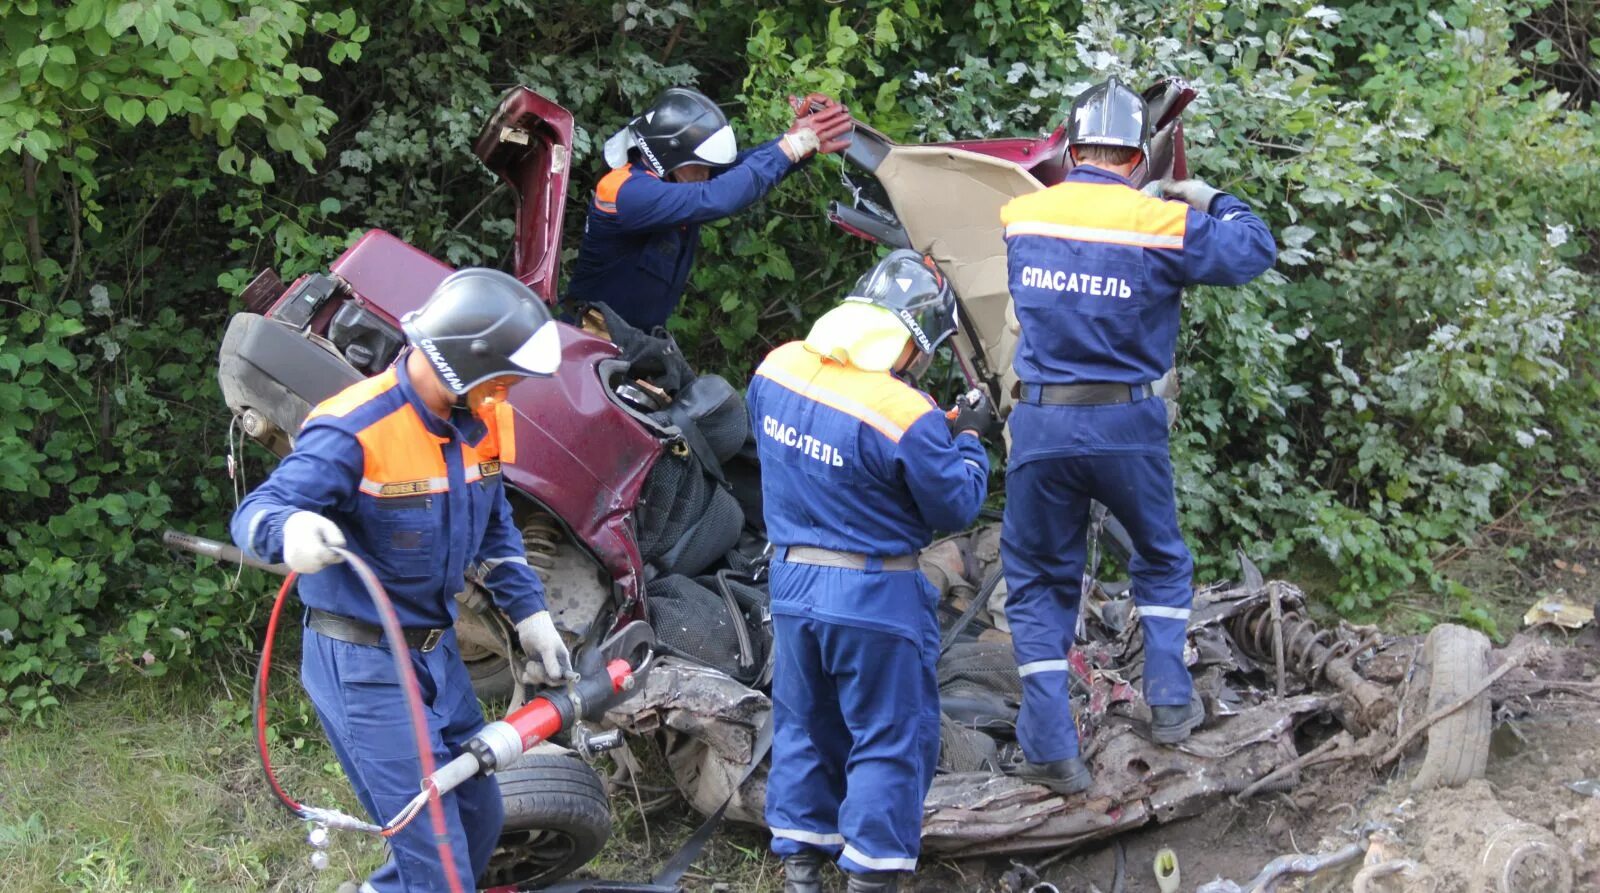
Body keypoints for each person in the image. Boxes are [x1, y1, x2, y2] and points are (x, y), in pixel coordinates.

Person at [230, 268, 577, 892]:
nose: (511, 392)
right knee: (433, 850)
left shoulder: (483, 420)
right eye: (504, 379)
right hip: (363, 665)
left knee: (477, 818)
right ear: (464, 365)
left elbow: (496, 522)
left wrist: (531, 615)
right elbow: (256, 514)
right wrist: (291, 533)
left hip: (435, 653)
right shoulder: (354, 427)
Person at [998, 78, 1277, 793]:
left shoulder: (1022, 216)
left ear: (1072, 144)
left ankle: (1052, 745)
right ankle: (1171, 700)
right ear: (1135, 155)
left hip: (1040, 421)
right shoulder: (1159, 223)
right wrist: (1205, 195)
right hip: (1128, 421)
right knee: (1159, 555)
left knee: (1035, 580)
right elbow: (1255, 250)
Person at [747, 250, 993, 893]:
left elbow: (833, 449)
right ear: (911, 343)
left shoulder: (777, 369)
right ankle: (873, 874)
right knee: (888, 736)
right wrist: (967, 438)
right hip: (874, 592)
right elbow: (956, 503)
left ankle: (801, 865)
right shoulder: (904, 414)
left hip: (794, 582)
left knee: (803, 724)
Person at [566, 86, 853, 330]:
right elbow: (717, 196)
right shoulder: (624, 190)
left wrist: (800, 143)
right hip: (590, 335)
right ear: (671, 153)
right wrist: (792, 146)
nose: (709, 172)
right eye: (702, 165)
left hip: (634, 344)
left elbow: (739, 170)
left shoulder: (675, 178)